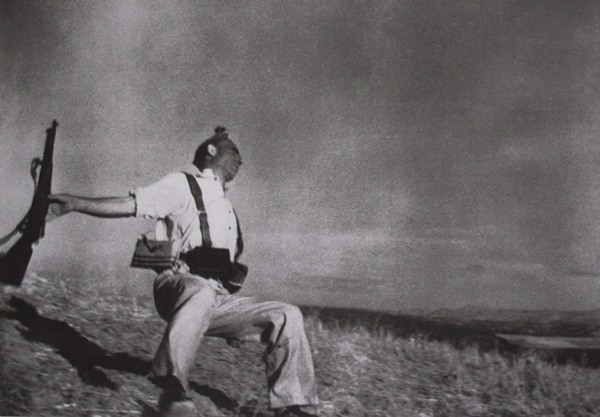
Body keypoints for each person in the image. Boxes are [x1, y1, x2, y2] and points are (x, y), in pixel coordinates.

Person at [48, 127, 320, 417]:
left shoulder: (228, 211)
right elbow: (132, 205)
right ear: (212, 151)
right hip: (177, 284)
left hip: (215, 297)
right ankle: (172, 388)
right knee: (200, 292)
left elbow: (223, 269)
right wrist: (75, 203)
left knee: (287, 314)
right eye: (234, 152)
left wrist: (235, 323)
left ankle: (292, 407)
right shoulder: (183, 184)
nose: (240, 160)